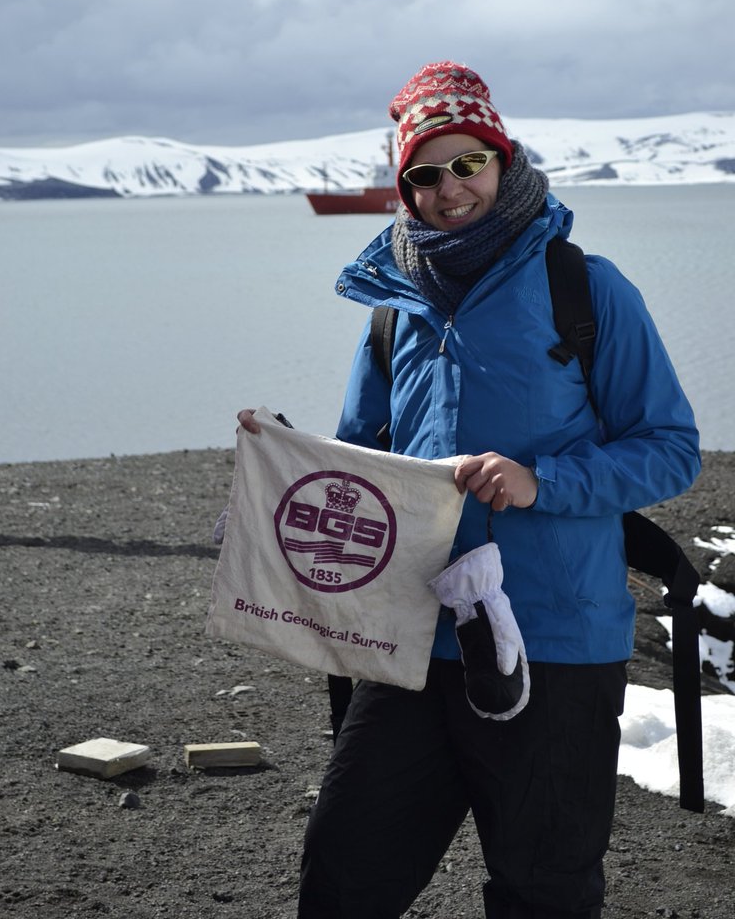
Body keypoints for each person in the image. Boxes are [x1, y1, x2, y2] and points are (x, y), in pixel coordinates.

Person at [237, 61, 701, 919]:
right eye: (424, 174)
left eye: (467, 165)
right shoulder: (392, 310)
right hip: (409, 644)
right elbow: (361, 465)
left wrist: (544, 479)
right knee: (343, 877)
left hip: (557, 638)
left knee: (543, 890)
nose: (449, 190)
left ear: (502, 159)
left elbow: (671, 450)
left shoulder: (585, 290)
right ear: (403, 188)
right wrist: (284, 447)